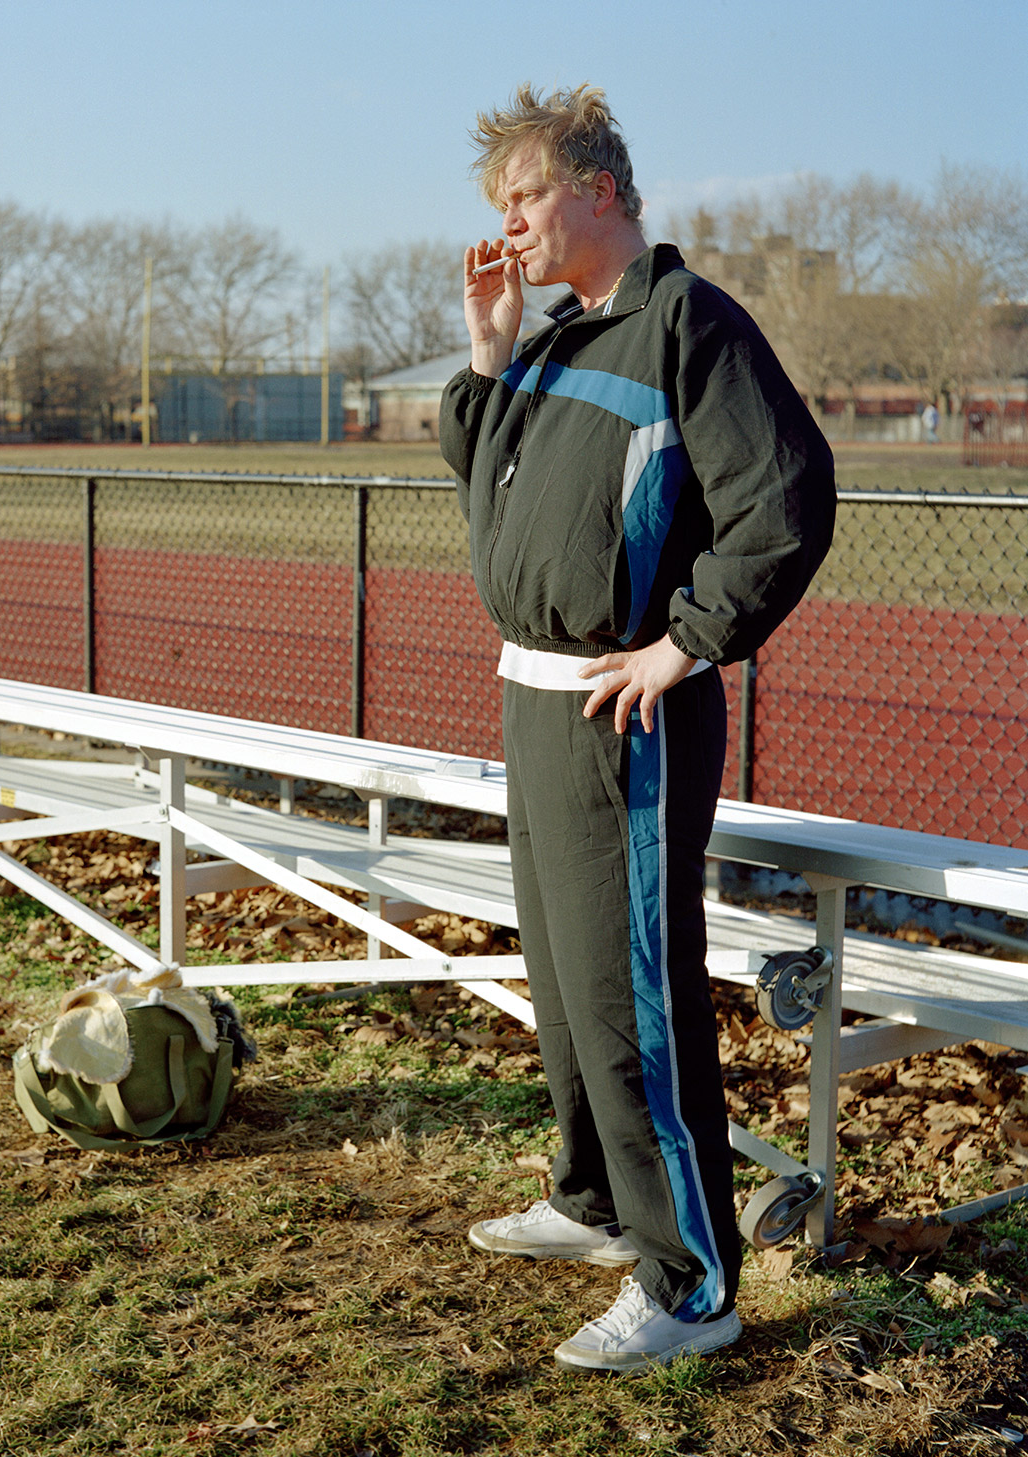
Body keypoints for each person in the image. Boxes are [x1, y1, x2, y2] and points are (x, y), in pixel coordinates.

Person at [440, 84, 836, 1373]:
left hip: (627, 719)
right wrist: (493, 352)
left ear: (601, 189)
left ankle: (692, 1287)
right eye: (498, 203)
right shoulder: (557, 337)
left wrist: (685, 642)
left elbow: (786, 500)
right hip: (535, 700)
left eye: (527, 197)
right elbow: (482, 478)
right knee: (562, 985)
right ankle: (595, 1201)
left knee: (629, 1002)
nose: (508, 224)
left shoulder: (687, 324)